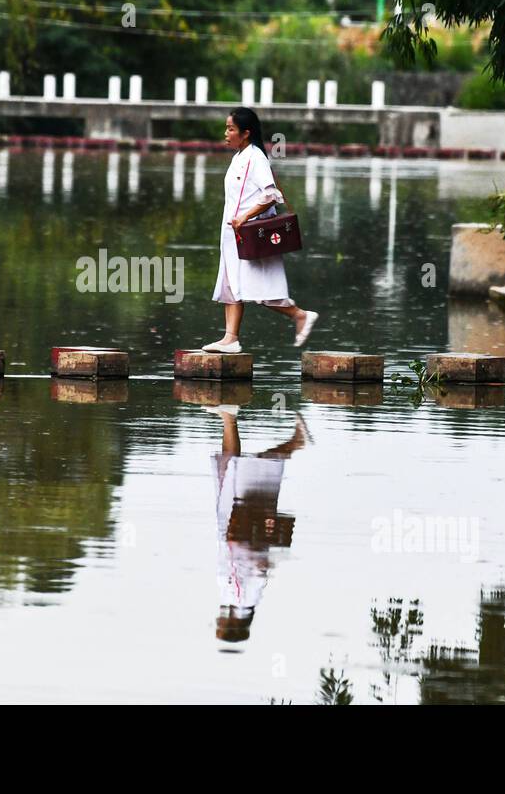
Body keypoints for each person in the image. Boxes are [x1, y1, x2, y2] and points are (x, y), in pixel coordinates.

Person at [203, 107, 318, 353]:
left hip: (250, 235)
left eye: (230, 129)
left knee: (260, 290)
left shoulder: (255, 158)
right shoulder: (239, 157)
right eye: (226, 128)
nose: (226, 133)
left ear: (245, 133)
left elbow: (271, 194)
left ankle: (299, 315)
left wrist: (244, 217)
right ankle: (230, 338)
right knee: (231, 285)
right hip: (234, 235)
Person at [211, 409, 309, 642]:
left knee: (231, 466)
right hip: (241, 527)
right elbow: (255, 567)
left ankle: (229, 416)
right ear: (231, 626)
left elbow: (258, 568)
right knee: (244, 469)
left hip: (238, 527)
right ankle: (295, 443)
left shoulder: (245, 600)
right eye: (220, 627)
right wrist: (239, 542)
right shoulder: (241, 599)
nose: (217, 621)